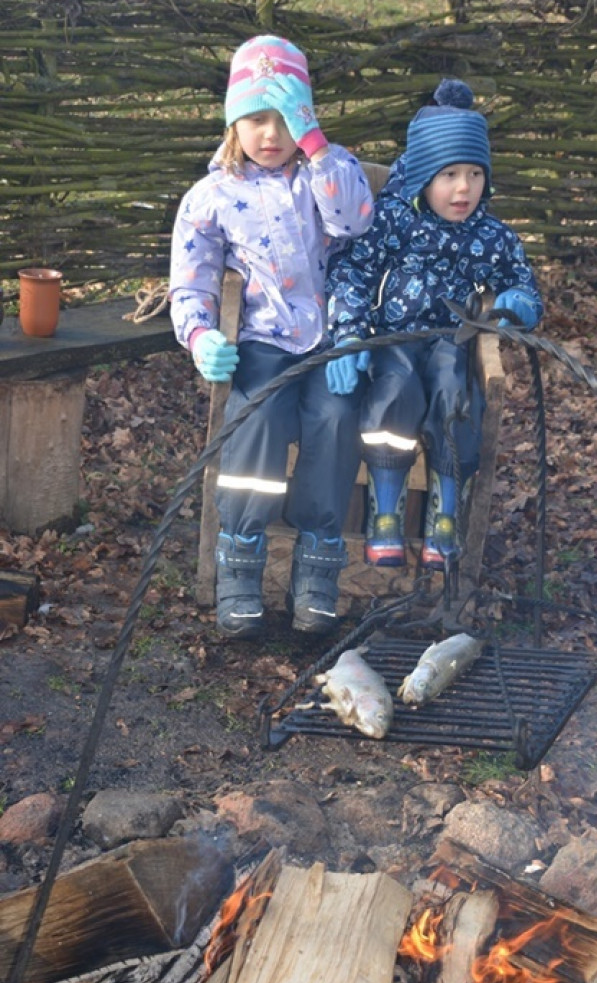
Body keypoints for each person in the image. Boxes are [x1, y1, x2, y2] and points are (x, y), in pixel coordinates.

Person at [169, 35, 374, 637]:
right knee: (254, 422)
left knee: (336, 420)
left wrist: (317, 146)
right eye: (256, 119)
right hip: (260, 343)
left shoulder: (325, 173)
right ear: (235, 123)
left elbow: (353, 221)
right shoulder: (211, 197)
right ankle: (239, 561)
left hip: (327, 344)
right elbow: (191, 281)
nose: (271, 133)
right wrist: (200, 335)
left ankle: (317, 565)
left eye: (286, 118)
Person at [325, 78, 544, 570]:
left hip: (452, 339)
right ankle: (386, 511)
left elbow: (522, 283)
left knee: (455, 397)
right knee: (394, 393)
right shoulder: (391, 221)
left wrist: (518, 301)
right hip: (394, 341)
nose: (463, 188)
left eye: (474, 174)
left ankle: (445, 515)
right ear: (423, 175)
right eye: (449, 175)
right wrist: (350, 332)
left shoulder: (491, 236)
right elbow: (350, 272)